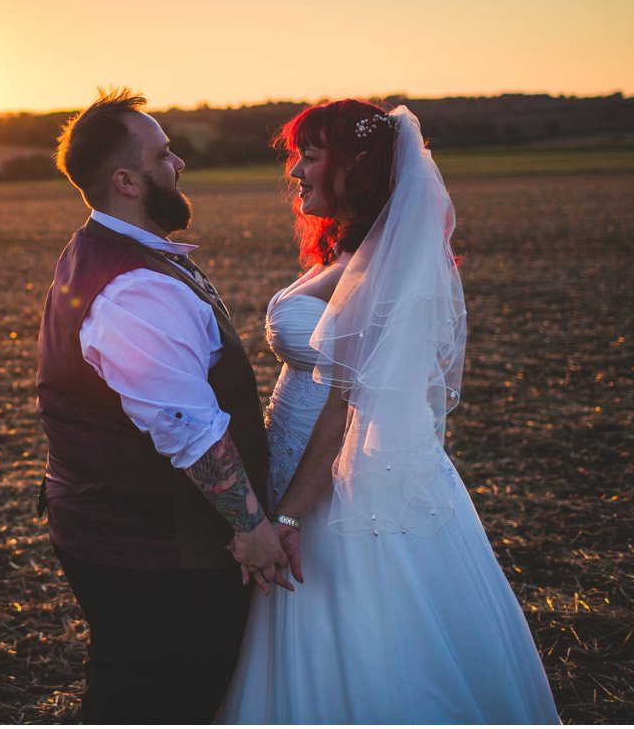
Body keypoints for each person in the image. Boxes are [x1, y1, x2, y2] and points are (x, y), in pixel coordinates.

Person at [217, 100, 559, 723]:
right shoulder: (347, 259)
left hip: (341, 491)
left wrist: (288, 521)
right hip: (294, 471)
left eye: (310, 156)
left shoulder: (388, 274)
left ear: (359, 168)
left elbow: (345, 416)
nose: (295, 172)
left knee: (371, 638)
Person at [35, 88, 287, 724]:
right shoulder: (134, 289)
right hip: (154, 556)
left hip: (123, 539)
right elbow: (189, 432)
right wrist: (252, 528)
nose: (179, 164)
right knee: (159, 702)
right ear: (126, 180)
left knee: (134, 692)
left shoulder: (113, 254)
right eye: (164, 154)